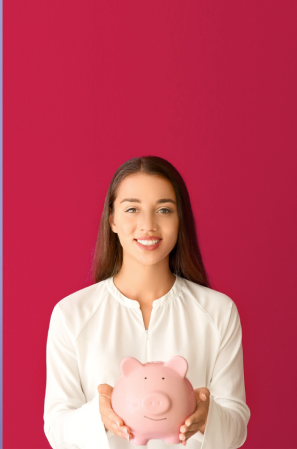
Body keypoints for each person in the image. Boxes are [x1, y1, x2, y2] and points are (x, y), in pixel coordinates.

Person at [43, 157, 249, 449]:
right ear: (112, 219)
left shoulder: (218, 311)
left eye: (164, 210)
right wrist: (98, 415)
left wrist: (207, 417)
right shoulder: (72, 314)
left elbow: (237, 425)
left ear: (180, 220)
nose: (148, 225)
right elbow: (56, 426)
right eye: (132, 209)